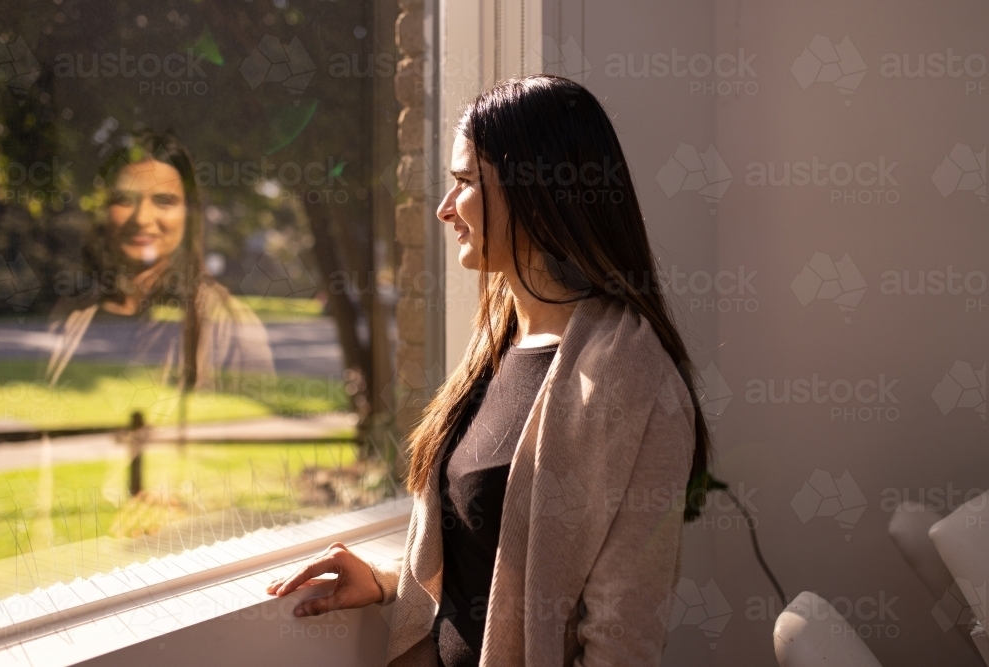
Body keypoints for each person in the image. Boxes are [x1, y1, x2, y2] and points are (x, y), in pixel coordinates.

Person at [267, 75, 714, 666]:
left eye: (463, 184)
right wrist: (389, 579)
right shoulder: (497, 342)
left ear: (536, 189)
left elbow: (621, 644)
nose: (443, 209)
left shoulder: (636, 387)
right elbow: (496, 570)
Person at [45, 130, 274, 396]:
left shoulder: (231, 329)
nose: (142, 218)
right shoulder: (73, 319)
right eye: (125, 199)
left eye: (164, 201)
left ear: (189, 215)